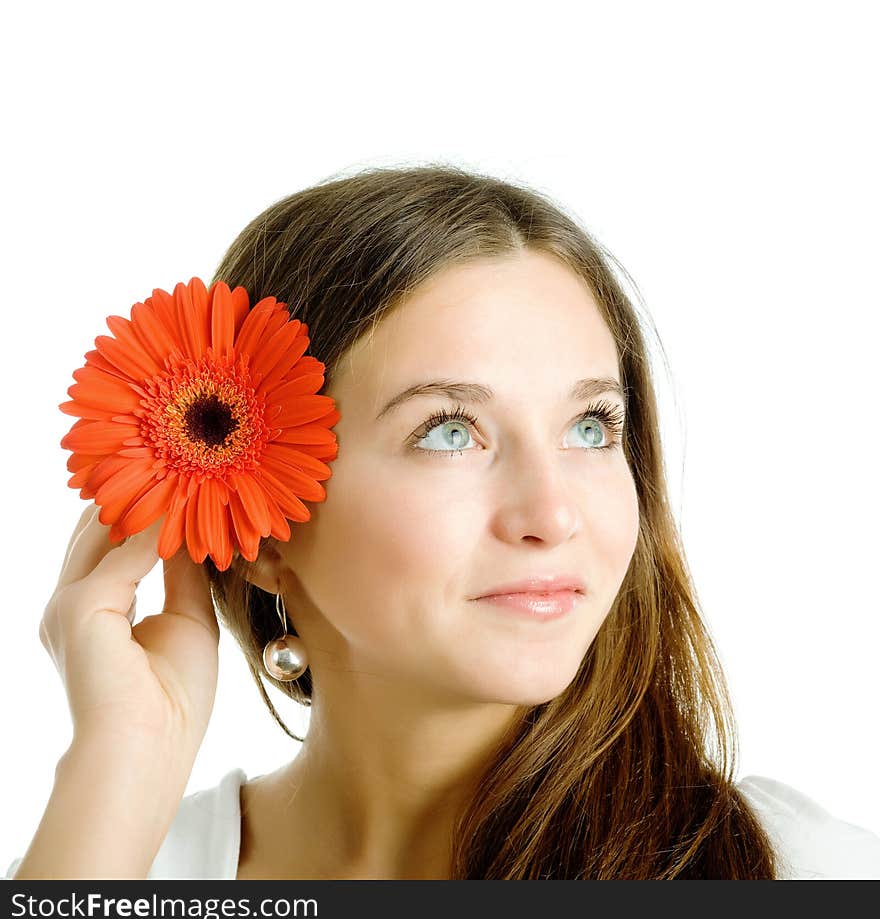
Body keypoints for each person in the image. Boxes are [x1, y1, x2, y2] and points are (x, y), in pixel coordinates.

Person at [7, 164, 880, 880]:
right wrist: (119, 765)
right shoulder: (114, 871)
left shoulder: (801, 872)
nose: (554, 512)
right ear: (267, 530)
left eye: (591, 426)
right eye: (450, 432)